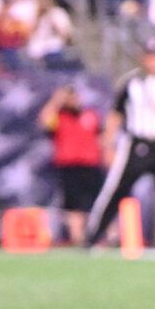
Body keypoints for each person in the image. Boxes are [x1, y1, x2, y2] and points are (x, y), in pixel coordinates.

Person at [86, 37, 155, 249]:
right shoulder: (131, 82)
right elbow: (116, 114)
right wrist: (108, 143)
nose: (154, 61)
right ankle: (93, 235)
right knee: (118, 189)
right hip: (136, 143)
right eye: (150, 57)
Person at [39, 84, 103, 246]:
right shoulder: (59, 117)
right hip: (69, 166)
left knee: (98, 202)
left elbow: (101, 137)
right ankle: (78, 237)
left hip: (92, 165)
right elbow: (44, 121)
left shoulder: (90, 115)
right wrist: (56, 100)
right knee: (73, 205)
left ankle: (103, 235)